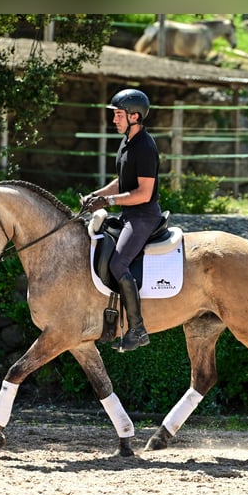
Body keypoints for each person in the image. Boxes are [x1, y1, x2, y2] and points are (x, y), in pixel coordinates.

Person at [81, 88, 162, 352]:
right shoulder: (127, 142)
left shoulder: (146, 147)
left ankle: (137, 329)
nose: (114, 120)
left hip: (144, 216)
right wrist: (98, 194)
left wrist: (109, 202)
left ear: (135, 116)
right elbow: (122, 182)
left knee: (118, 263)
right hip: (129, 213)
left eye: (118, 115)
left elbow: (144, 192)